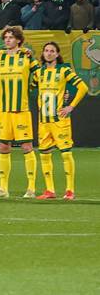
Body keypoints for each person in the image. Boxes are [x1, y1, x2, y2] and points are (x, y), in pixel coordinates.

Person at [33, 40, 87, 200]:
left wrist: (70, 106)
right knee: (44, 155)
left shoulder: (64, 70)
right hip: (43, 121)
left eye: (52, 51)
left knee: (65, 154)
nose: (48, 53)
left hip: (60, 120)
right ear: (43, 54)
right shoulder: (39, 73)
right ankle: (50, 190)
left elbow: (83, 87)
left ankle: (70, 190)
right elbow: (30, 88)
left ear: (57, 54)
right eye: (46, 50)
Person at [0, 26, 38, 198]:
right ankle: (3, 189)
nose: (7, 40)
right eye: (5, 38)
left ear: (18, 40)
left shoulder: (26, 56)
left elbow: (40, 75)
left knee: (26, 146)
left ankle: (31, 188)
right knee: (3, 147)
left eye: (10, 37)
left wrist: (30, 88)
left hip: (21, 109)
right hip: (4, 110)